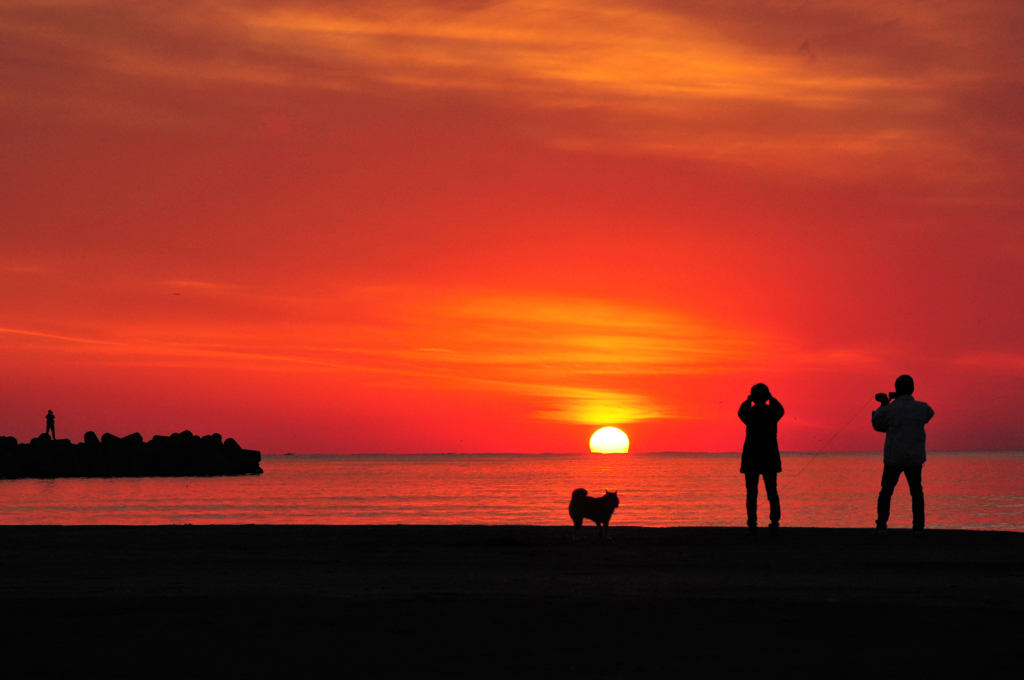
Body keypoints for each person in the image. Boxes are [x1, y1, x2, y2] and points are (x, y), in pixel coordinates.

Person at [871, 375, 934, 534]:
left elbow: (877, 422)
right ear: (912, 389)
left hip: (894, 458)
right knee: (916, 492)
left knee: (886, 491)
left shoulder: (890, 408)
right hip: (914, 457)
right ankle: (918, 526)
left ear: (896, 389)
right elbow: (929, 414)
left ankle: (881, 525)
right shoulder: (922, 408)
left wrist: (884, 403)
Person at [738, 384, 784, 536]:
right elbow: (781, 410)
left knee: (751, 493)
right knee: (772, 491)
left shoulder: (751, 413)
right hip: (769, 456)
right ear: (766, 396)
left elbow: (741, 412)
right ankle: (774, 524)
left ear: (754, 397)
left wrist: (748, 401)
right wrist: (772, 399)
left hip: (752, 456)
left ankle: (752, 525)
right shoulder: (771, 412)